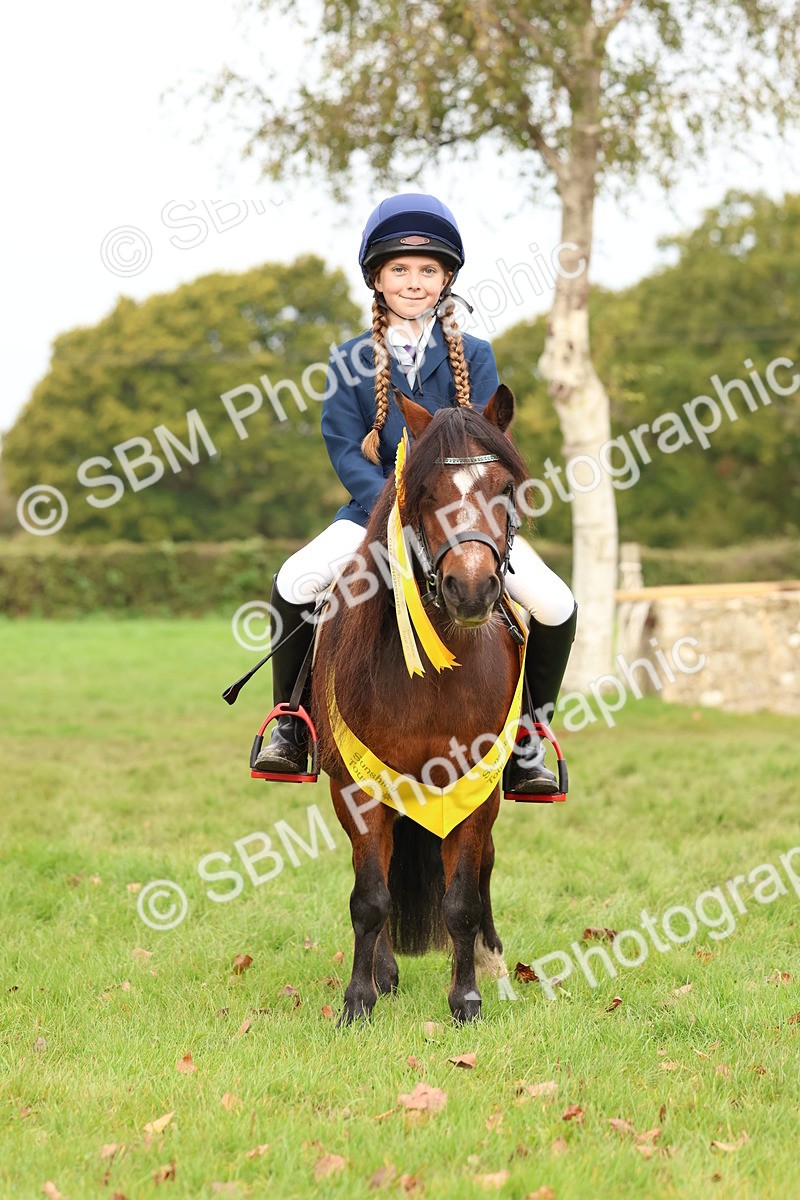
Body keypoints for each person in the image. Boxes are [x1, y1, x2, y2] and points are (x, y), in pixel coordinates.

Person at [252, 193, 577, 794]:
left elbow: (484, 440)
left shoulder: (474, 355)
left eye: (428, 271)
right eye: (399, 270)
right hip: (370, 515)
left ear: (447, 278)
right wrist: (391, 507)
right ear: (376, 279)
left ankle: (531, 735)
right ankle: (291, 724)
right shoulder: (350, 359)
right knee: (294, 580)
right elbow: (345, 447)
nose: (414, 281)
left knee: (556, 603)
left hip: (462, 521)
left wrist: (443, 511)